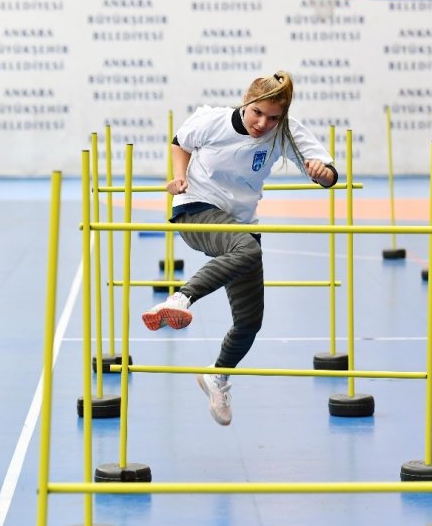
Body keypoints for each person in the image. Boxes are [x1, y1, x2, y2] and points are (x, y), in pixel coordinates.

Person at [141, 71, 338, 425]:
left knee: (249, 322)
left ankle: (218, 377)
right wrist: (180, 176)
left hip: (240, 227)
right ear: (246, 102)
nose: (263, 124)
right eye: (257, 113)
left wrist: (323, 175)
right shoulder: (213, 121)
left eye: (273, 117)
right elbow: (179, 140)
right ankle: (180, 299)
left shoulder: (285, 132)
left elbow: (327, 172)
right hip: (196, 210)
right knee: (248, 250)